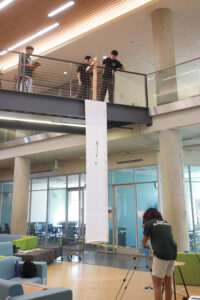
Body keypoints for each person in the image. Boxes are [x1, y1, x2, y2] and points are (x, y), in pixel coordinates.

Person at [142, 208, 177, 300]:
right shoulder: (166, 223)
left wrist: (144, 228)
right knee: (168, 283)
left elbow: (143, 241)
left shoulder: (148, 224)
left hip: (161, 254)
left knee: (157, 286)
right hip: (173, 253)